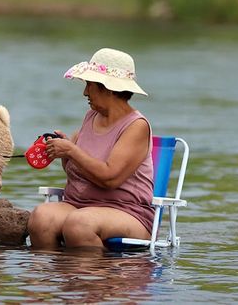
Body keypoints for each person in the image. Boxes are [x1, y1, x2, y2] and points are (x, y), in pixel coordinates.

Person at [28, 47, 154, 249]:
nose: (85, 91)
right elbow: (80, 172)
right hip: (79, 206)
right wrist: (64, 152)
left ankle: (93, 279)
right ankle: (50, 278)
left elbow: (110, 178)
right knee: (41, 218)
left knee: (79, 224)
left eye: (89, 84)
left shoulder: (136, 126)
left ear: (109, 88)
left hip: (126, 212)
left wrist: (71, 150)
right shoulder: (91, 116)